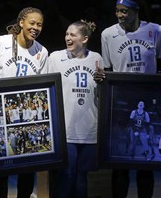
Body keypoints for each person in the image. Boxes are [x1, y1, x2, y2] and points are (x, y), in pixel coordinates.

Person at [94, 0, 161, 198]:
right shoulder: (108, 34)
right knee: (121, 159)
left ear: (136, 11)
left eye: (124, 11)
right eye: (117, 11)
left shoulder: (155, 30)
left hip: (147, 97)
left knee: (146, 161)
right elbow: (107, 69)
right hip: (122, 98)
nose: (120, 15)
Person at [0, 7, 48, 198]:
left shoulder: (42, 51)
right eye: (32, 23)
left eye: (39, 24)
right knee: (1, 167)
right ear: (21, 23)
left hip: (26, 117)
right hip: (1, 114)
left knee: (27, 167)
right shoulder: (1, 42)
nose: (36, 27)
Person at [47, 20, 104, 198]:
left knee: (81, 178)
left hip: (89, 129)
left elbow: (100, 93)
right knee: (66, 176)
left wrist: (103, 81)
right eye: (66, 34)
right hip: (65, 129)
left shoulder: (96, 58)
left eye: (73, 35)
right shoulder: (55, 57)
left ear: (85, 38)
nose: (68, 38)